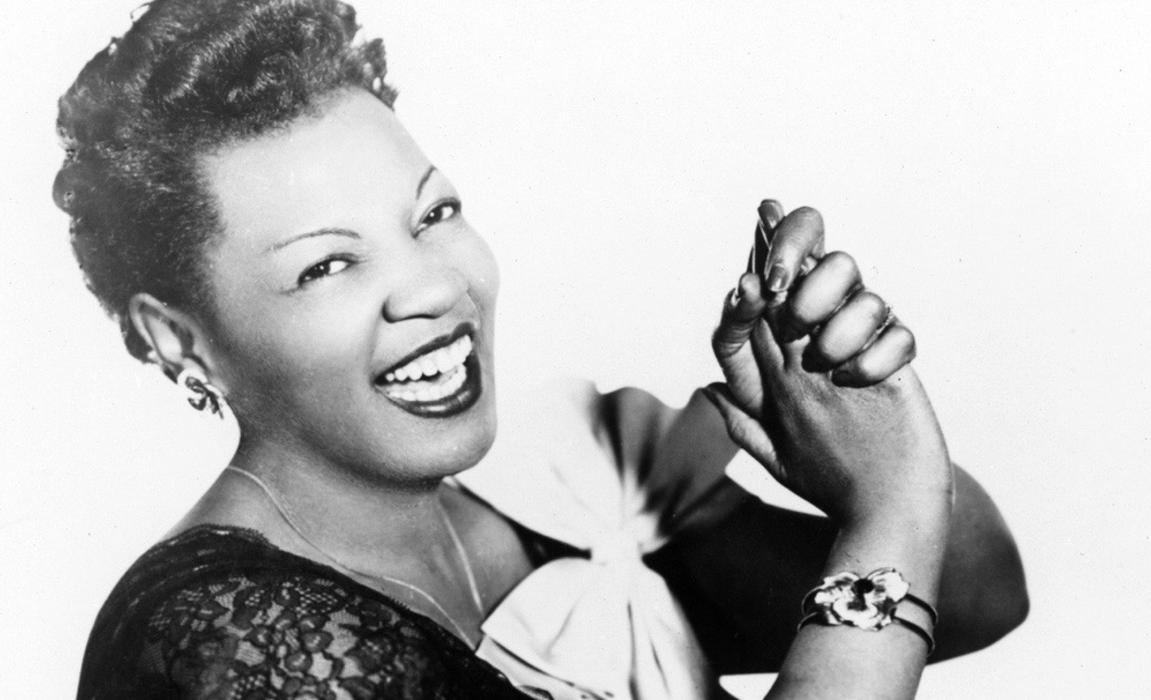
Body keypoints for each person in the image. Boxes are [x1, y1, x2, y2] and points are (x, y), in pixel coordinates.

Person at [55, 1, 1027, 698]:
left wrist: (861, 422)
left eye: (432, 214)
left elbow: (980, 594)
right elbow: (898, 558)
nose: (434, 287)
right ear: (178, 338)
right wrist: (892, 507)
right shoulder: (220, 639)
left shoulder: (563, 497)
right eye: (326, 266)